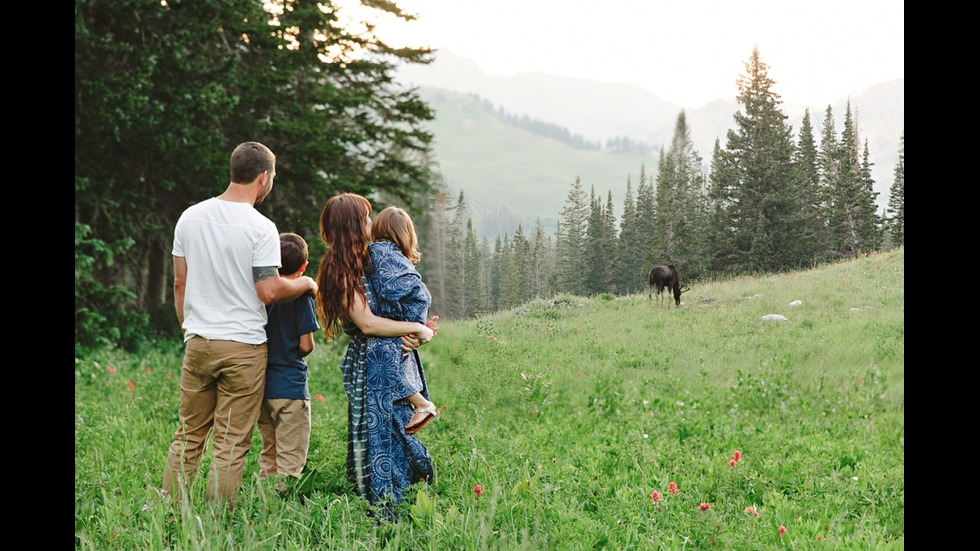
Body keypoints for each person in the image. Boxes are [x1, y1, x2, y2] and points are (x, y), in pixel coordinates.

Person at [163, 141, 318, 507]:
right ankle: (217, 522)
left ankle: (166, 511)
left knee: (188, 435)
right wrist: (307, 283)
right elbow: (269, 290)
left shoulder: (190, 217)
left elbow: (179, 283)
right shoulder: (260, 227)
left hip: (199, 342)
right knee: (231, 441)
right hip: (244, 350)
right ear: (263, 177)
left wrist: (190, 328)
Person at [315, 193, 435, 519]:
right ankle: (385, 506)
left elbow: (392, 301)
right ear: (354, 224)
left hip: (383, 357)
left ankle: (404, 490)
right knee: (379, 432)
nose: (371, 223)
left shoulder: (361, 261)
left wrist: (413, 330)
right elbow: (367, 323)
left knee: (391, 427)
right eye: (366, 218)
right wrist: (415, 328)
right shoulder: (341, 271)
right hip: (370, 362)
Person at [257, 233, 320, 490]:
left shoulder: (262, 294)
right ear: (303, 267)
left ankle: (262, 508)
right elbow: (306, 345)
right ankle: (281, 512)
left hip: (263, 387)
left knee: (268, 457)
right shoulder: (302, 296)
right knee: (289, 462)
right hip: (291, 389)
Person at [369, 206, 438, 434]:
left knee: (391, 367)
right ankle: (421, 405)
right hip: (398, 323)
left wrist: (413, 329)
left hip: (390, 325)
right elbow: (420, 295)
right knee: (398, 366)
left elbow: (400, 289)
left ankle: (422, 405)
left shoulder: (376, 253)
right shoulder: (394, 256)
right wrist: (415, 326)